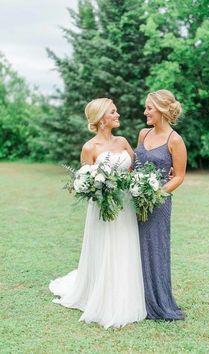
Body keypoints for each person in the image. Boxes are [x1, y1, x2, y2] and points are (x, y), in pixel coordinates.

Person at [49, 98, 146, 329]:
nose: (118, 114)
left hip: (124, 205)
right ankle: (102, 295)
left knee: (124, 246)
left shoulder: (123, 141)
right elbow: (83, 182)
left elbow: (135, 169)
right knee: (105, 248)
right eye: (113, 112)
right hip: (103, 207)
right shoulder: (89, 147)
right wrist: (97, 188)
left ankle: (125, 292)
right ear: (102, 118)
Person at [135, 89, 187, 320]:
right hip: (135, 201)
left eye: (149, 108)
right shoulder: (142, 134)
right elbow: (134, 165)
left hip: (158, 203)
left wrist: (155, 193)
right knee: (132, 248)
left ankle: (157, 303)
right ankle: (134, 300)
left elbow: (178, 176)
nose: (145, 112)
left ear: (163, 110)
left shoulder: (175, 140)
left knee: (155, 249)